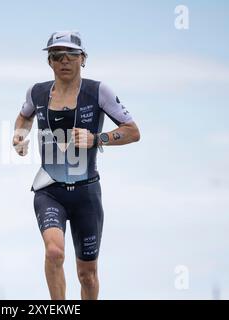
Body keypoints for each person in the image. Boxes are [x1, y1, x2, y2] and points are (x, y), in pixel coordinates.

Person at [12, 31, 140, 300]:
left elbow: (132, 131)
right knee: (54, 252)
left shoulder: (98, 91)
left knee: (87, 275)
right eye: (57, 56)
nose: (64, 61)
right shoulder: (36, 92)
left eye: (71, 55)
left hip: (86, 195)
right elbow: (23, 117)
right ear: (50, 62)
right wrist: (20, 136)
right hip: (49, 190)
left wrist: (98, 138)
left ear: (83, 59)